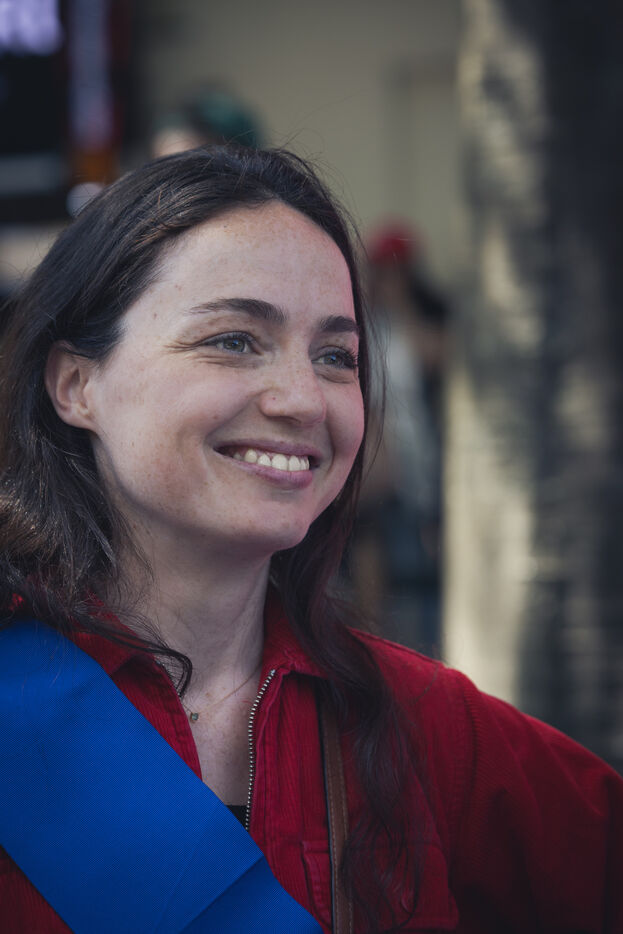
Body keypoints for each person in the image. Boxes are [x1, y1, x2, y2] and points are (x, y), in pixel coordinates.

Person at [0, 146, 621, 934]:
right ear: (75, 385)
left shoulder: (425, 726)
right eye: (233, 340)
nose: (302, 400)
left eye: (335, 356)